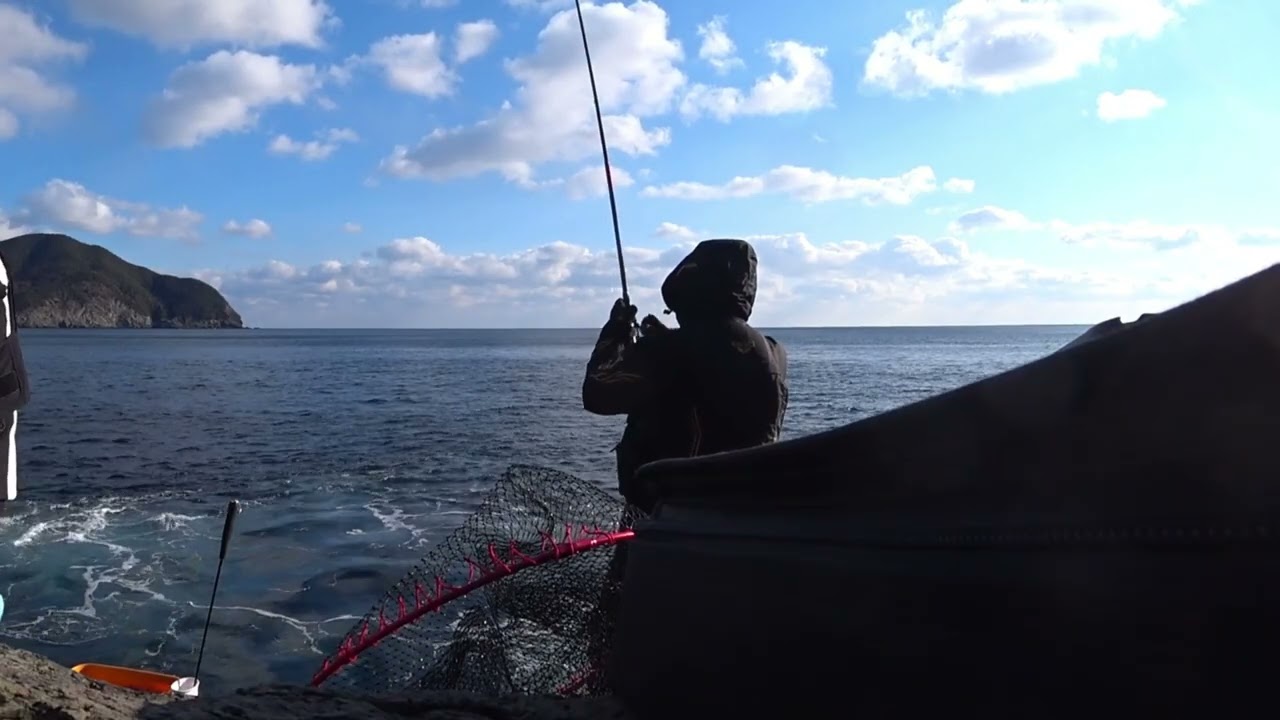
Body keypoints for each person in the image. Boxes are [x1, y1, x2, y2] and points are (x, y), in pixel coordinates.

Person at [582, 238, 789, 512]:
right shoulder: (775, 352)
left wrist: (614, 334)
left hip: (671, 520)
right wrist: (667, 339)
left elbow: (597, 393)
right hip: (746, 514)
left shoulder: (666, 352)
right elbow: (712, 369)